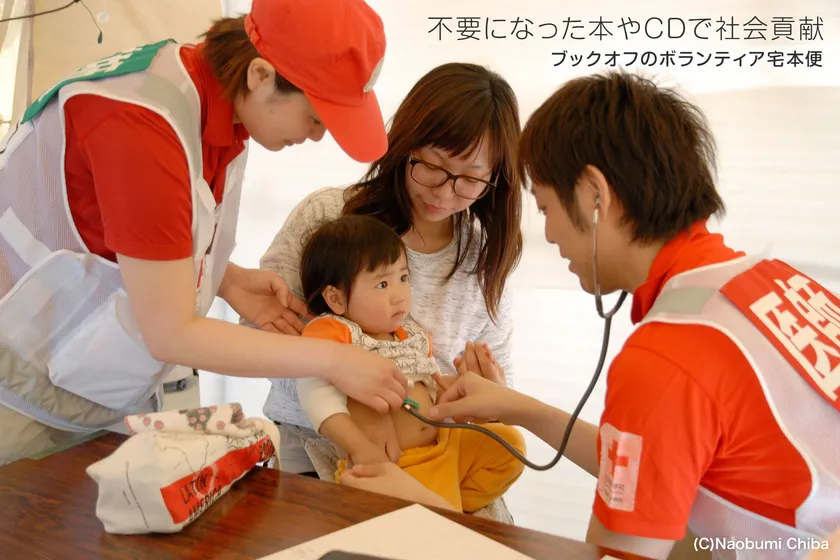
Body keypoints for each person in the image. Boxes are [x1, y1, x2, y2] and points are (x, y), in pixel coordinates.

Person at [384, 71, 839, 559]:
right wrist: (518, 407)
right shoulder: (777, 284)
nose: (550, 236)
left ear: (593, 195)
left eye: (546, 208)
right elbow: (653, 460)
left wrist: (425, 511)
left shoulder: (668, 358)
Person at [0, 0, 410, 466]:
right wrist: (331, 359)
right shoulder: (143, 126)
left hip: (90, 379)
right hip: (20, 386)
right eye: (315, 118)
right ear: (260, 75)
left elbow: (124, 232)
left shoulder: (224, 109)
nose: (317, 137)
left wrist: (226, 278)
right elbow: (171, 333)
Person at [253, 61, 524, 476]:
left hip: (433, 452)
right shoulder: (329, 215)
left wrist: (491, 398)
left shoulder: (482, 255)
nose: (445, 193)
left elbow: (496, 378)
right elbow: (260, 334)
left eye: (471, 179)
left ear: (495, 179)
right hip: (312, 444)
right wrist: (353, 403)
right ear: (405, 144)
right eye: (432, 166)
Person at [295, 214, 526, 513]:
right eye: (382, 284)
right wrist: (361, 449)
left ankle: (454, 499)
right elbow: (315, 396)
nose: (399, 297)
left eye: (403, 278)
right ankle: (445, 505)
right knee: (435, 524)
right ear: (336, 299)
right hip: (397, 464)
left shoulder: (411, 332)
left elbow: (429, 385)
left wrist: (453, 394)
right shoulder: (334, 333)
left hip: (444, 443)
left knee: (509, 446)